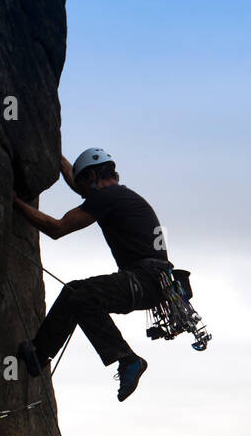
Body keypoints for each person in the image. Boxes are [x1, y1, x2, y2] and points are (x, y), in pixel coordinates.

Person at [11, 147, 173, 401]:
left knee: (85, 296)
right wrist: (59, 158)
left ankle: (128, 359)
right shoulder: (116, 195)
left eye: (84, 186)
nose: (83, 194)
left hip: (146, 279)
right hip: (152, 280)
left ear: (94, 176)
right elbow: (80, 188)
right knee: (75, 292)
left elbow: (57, 228)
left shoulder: (108, 197)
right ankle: (38, 353)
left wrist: (15, 203)